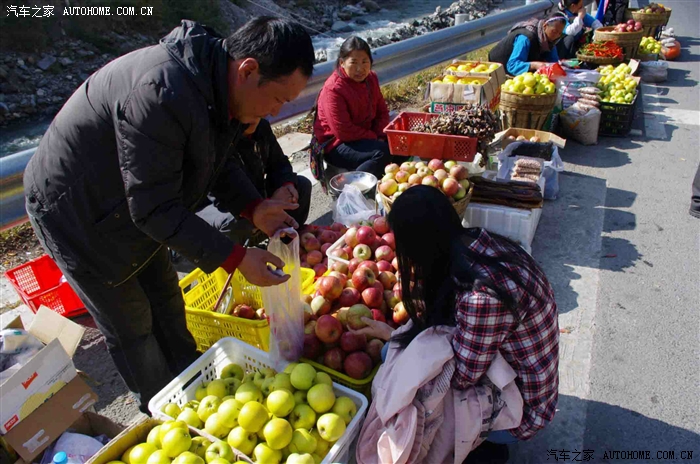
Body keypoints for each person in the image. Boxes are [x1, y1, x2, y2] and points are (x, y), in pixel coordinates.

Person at [23, 17, 315, 412]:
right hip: (77, 214)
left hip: (132, 206)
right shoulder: (161, 93)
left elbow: (214, 161)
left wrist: (254, 207)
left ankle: (197, 393)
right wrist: (237, 258)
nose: (277, 111)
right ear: (248, 70)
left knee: (166, 303)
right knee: (133, 325)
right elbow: (152, 208)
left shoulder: (216, 85)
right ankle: (164, 412)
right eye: (279, 99)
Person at [353, 186, 559, 462]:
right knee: (393, 353)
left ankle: (484, 446)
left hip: (526, 408)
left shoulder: (480, 297)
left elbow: (463, 377)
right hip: (511, 370)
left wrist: (400, 347)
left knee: (402, 374)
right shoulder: (479, 243)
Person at [172, 118, 313, 272]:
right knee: (232, 221)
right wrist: (262, 205)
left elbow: (279, 163)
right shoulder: (217, 138)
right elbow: (223, 194)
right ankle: (233, 265)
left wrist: (286, 185)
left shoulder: (261, 127)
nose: (272, 112)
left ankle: (285, 244)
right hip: (216, 208)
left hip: (254, 199)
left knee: (301, 187)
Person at [313, 36, 392, 179]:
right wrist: (374, 137)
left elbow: (382, 111)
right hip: (337, 144)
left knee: (399, 144)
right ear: (342, 63)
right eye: (353, 62)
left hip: (366, 135)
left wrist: (380, 134)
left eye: (364, 62)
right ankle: (352, 188)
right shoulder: (334, 89)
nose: (360, 69)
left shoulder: (371, 79)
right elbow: (343, 131)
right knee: (381, 153)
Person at [488, 12, 568, 75]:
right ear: (545, 26)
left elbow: (553, 61)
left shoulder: (550, 41)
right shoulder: (526, 38)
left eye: (560, 33)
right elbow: (512, 65)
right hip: (500, 66)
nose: (557, 36)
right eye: (554, 31)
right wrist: (534, 65)